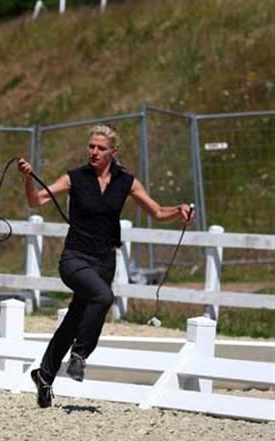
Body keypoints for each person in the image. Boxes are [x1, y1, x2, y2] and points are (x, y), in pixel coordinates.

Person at [16, 124, 193, 408]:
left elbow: (158, 212)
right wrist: (27, 178)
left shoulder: (127, 182)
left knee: (75, 319)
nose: (94, 152)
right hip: (74, 258)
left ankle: (44, 375)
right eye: (91, 147)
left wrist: (179, 210)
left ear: (113, 152)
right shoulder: (75, 178)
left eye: (101, 148)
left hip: (104, 261)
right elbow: (36, 201)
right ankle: (79, 356)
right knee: (103, 296)